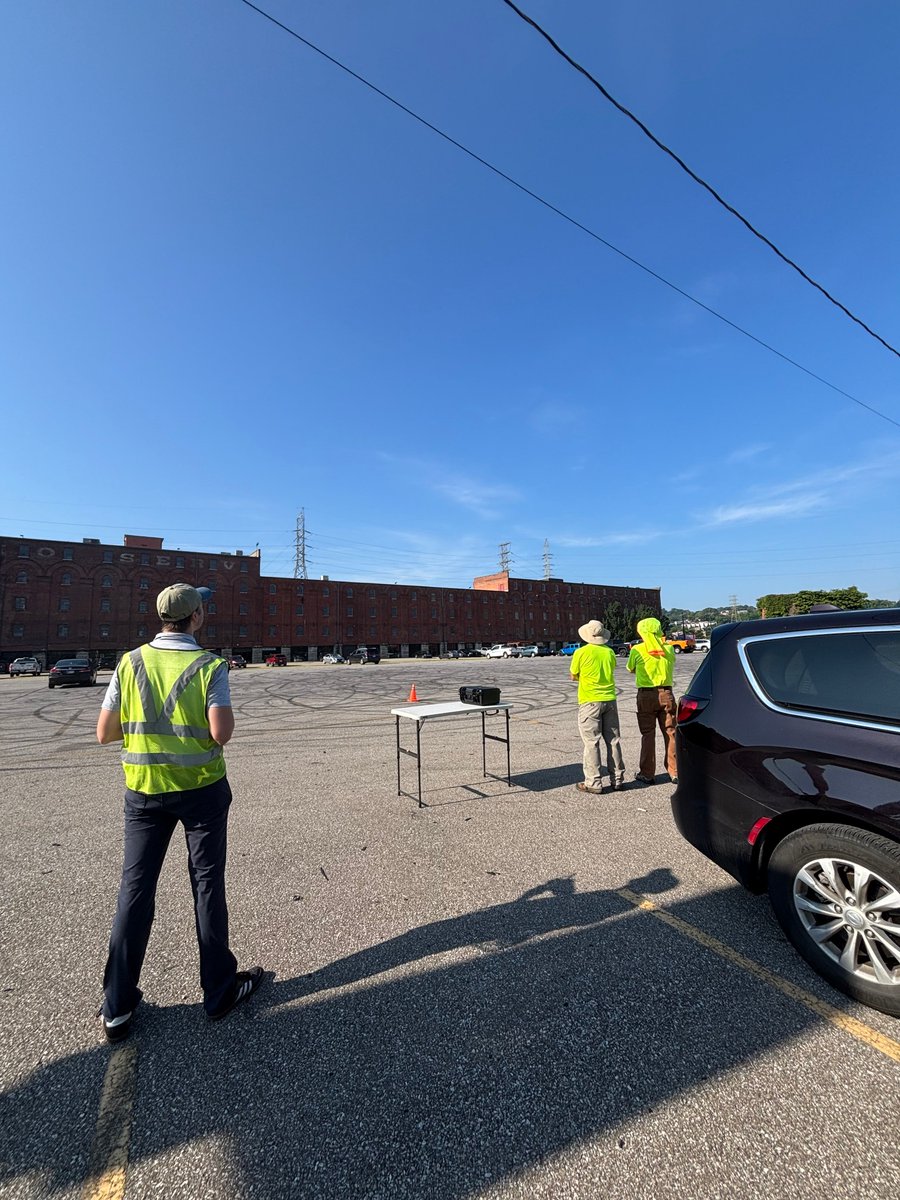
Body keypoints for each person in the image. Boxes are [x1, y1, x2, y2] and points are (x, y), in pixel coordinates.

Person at [96, 583, 262, 1042]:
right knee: (207, 884)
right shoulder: (209, 665)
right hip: (201, 791)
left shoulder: (128, 663)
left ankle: (118, 1006)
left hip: (144, 792)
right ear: (197, 617)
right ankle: (219, 991)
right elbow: (221, 733)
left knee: (135, 889)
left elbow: (104, 732)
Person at [569, 620, 625, 795]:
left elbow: (573, 675)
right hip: (610, 699)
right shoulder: (609, 652)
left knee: (592, 742)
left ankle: (594, 781)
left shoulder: (581, 652)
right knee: (613, 741)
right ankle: (617, 779)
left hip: (590, 700)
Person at [626, 616, 677, 785]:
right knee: (670, 732)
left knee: (648, 734)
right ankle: (674, 771)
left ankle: (647, 773)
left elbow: (630, 668)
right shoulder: (669, 649)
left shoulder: (637, 650)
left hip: (646, 695)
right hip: (666, 693)